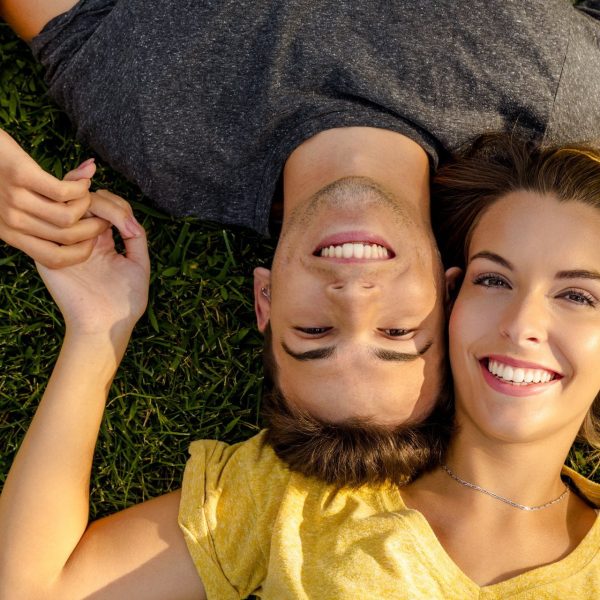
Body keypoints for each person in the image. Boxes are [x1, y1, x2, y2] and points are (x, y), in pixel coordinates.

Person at [2, 133, 600, 599]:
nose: (522, 323)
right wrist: (96, 330)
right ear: (448, 302)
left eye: (579, 296)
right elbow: (32, 587)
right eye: (492, 280)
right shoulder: (301, 503)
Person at [1, 1, 600, 439]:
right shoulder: (550, 107)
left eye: (314, 333)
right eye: (396, 335)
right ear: (450, 293)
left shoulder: (166, 133)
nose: (353, 297)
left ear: (266, 299)